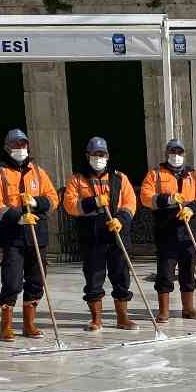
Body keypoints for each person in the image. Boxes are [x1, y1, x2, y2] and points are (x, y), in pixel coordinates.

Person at [0, 128, 58, 341]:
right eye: (16, 145)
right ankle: (6, 325)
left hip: (37, 233)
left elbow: (53, 198)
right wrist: (17, 216)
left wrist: (37, 202)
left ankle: (29, 323)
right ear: (8, 148)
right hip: (12, 236)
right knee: (12, 281)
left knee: (37, 280)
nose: (20, 148)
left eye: (23, 144)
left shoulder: (37, 172)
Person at [63, 136, 139, 331]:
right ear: (88, 156)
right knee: (94, 277)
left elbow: (130, 203)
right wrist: (93, 202)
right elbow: (70, 205)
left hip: (116, 235)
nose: (99, 158)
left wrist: (120, 220)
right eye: (95, 154)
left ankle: (122, 317)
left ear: (107, 156)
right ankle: (96, 318)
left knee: (121, 276)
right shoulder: (77, 179)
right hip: (92, 237)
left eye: (102, 154)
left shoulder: (119, 178)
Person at [139, 137, 196, 323]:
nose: (176, 156)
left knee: (188, 269)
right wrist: (168, 199)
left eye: (179, 152)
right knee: (165, 270)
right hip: (166, 229)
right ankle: (164, 310)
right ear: (167, 154)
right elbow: (146, 197)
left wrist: (192, 208)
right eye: (173, 152)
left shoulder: (193, 174)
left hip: (189, 228)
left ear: (184, 154)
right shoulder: (155, 174)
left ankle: (188, 308)